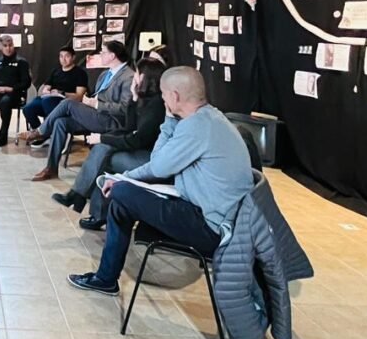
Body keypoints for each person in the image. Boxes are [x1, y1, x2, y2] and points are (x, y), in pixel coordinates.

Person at [68, 67, 254, 295]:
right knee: (122, 198)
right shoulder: (209, 118)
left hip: (211, 228)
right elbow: (160, 163)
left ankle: (106, 278)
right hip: (212, 214)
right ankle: (105, 277)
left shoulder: (197, 127)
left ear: (174, 96)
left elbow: (157, 166)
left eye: (164, 94)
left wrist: (121, 180)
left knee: (121, 193)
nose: (162, 99)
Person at [51, 58, 166, 229]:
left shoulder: (156, 106)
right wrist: (134, 99)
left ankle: (84, 201)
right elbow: (129, 127)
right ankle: (88, 205)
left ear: (144, 78)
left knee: (104, 157)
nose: (133, 77)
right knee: (102, 150)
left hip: (150, 159)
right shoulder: (143, 100)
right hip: (139, 149)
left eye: (137, 74)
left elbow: (138, 140)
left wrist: (103, 138)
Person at [20, 40, 133, 181]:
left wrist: (95, 104)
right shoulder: (105, 74)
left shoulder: (128, 76)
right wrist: (90, 102)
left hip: (111, 121)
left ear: (112, 55)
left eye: (103, 52)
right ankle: (51, 168)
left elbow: (124, 109)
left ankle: (39, 132)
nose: (100, 55)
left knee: (68, 103)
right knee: (61, 122)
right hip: (95, 115)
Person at [21, 45, 88, 131]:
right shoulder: (56, 71)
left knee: (47, 101)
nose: (63, 59)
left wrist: (62, 93)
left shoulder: (80, 73)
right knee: (28, 108)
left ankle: (49, 132)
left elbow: (79, 96)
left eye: (67, 56)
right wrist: (46, 91)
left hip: (66, 102)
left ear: (73, 57)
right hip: (50, 99)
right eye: (61, 56)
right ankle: (41, 134)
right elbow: (46, 87)